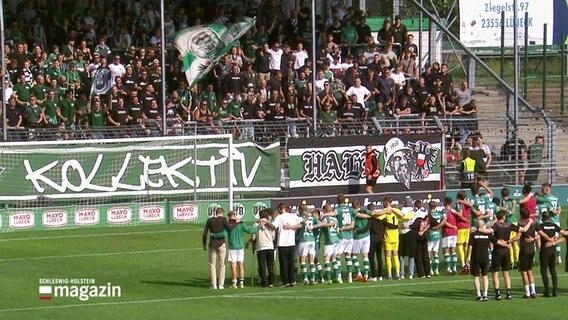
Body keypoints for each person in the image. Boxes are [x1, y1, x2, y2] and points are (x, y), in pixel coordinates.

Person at [491, 210, 532, 300]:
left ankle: (497, 293)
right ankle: (509, 292)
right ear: (504, 217)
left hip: (498, 250)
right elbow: (524, 230)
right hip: (507, 251)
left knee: (495, 273)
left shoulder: (496, 225)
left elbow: (490, 232)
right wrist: (529, 222)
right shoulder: (509, 224)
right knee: (506, 273)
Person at [466, 219, 509, 301]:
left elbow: (470, 246)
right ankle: (485, 294)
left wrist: (468, 257)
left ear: (476, 226)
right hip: (485, 258)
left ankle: (479, 294)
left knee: (476, 277)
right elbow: (497, 241)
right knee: (485, 276)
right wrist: (506, 244)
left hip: (475, 258)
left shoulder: (473, 235)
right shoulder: (487, 234)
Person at [268, 202, 304, 287]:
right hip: (291, 243)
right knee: (291, 263)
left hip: (282, 243)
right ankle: (292, 280)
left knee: (284, 263)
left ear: (280, 209)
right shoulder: (293, 216)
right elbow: (302, 223)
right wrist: (292, 227)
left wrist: (265, 222)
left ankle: (285, 281)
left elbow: (273, 226)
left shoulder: (279, 217)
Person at [202, 207, 236, 290]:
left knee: (212, 265)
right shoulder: (223, 219)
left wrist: (204, 244)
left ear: (215, 213)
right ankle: (221, 284)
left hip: (212, 244)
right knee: (222, 265)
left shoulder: (210, 220)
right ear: (222, 213)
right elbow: (230, 228)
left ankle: (213, 285)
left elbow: (205, 233)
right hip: (221, 244)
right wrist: (235, 223)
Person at [227, 211, 263, 289]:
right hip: (240, 247)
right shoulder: (241, 224)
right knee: (241, 265)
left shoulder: (228, 225)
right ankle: (241, 283)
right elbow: (251, 231)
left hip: (232, 247)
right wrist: (259, 226)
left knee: (233, 266)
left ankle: (234, 283)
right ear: (235, 216)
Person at [537, 211, 568, 297]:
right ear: (549, 217)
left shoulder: (540, 226)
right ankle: (555, 291)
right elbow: (565, 233)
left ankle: (547, 291)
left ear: (542, 218)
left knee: (544, 270)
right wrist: (554, 239)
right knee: (553, 270)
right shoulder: (554, 225)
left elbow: (541, 234)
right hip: (553, 250)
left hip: (545, 250)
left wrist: (549, 240)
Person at [535, 183, 562, 264]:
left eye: (542, 189)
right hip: (557, 221)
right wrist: (557, 212)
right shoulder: (555, 198)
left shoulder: (545, 199)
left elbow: (549, 209)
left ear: (546, 189)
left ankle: (548, 257)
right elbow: (559, 208)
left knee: (548, 239)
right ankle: (559, 258)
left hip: (550, 222)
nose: (542, 190)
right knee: (555, 239)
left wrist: (554, 212)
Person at [515, 208, 539, 298]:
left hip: (524, 249)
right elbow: (540, 233)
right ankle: (533, 291)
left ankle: (527, 293)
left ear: (521, 215)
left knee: (523, 271)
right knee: (530, 270)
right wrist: (533, 239)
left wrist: (510, 241)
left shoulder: (521, 224)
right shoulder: (534, 223)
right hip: (531, 249)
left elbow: (518, 236)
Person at [251, 209, 276, 288]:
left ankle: (264, 282)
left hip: (260, 247)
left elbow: (253, 237)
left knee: (262, 266)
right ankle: (271, 282)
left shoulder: (256, 224)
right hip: (270, 246)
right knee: (270, 265)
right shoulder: (270, 224)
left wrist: (253, 244)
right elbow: (273, 237)